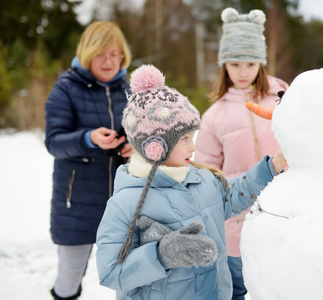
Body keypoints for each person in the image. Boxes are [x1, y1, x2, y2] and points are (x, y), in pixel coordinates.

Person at [95, 64, 287, 300]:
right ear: (155, 148)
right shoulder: (125, 203)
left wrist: (272, 166)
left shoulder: (201, 179)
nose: (193, 147)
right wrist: (161, 255)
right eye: (184, 139)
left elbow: (233, 194)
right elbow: (111, 271)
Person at [194, 7, 289, 300]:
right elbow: (205, 175)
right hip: (237, 226)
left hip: (284, 217)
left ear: (261, 61)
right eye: (235, 64)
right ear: (224, 65)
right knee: (237, 290)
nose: (244, 72)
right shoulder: (214, 116)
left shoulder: (282, 95)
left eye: (250, 63)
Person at [44, 21, 134, 300]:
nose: (108, 61)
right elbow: (54, 142)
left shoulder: (132, 91)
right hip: (76, 201)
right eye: (100, 54)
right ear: (87, 53)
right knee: (70, 275)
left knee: (131, 275)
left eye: (114, 54)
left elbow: (148, 136)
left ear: (123, 56)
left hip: (124, 201)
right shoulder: (66, 88)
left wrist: (136, 147)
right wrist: (88, 139)